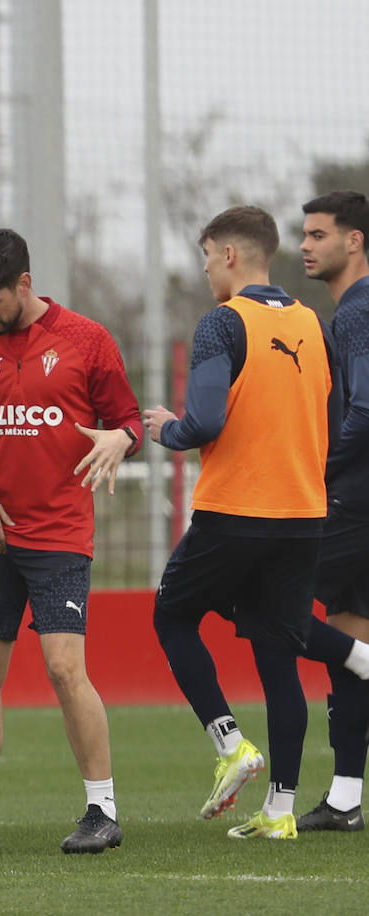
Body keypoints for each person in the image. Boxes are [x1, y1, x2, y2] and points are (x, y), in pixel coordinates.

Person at [0, 227, 140, 857]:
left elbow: (127, 419)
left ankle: (102, 811)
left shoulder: (87, 340)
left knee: (63, 667)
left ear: (24, 283)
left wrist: (120, 440)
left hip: (59, 534)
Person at [143, 205, 337, 840]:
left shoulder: (222, 324)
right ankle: (280, 813)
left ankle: (230, 744)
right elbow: (329, 424)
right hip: (304, 514)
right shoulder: (315, 323)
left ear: (229, 255)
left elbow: (201, 422)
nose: (203, 271)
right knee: (279, 656)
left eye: (205, 257)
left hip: (235, 512)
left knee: (171, 615)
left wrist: (164, 428)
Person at [297, 190, 369, 831]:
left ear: (354, 241)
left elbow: (366, 409)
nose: (305, 244)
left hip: (352, 498)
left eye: (318, 234)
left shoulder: (357, 309)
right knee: (350, 638)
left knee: (259, 597)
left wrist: (313, 470)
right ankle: (346, 798)